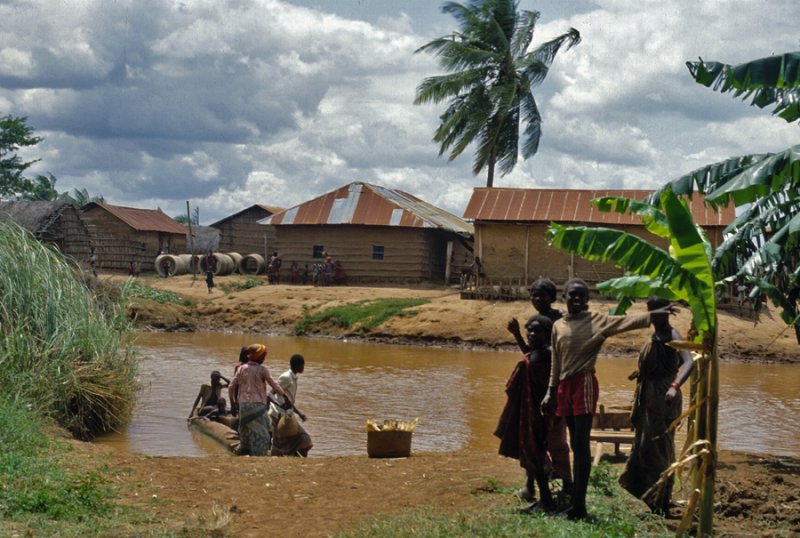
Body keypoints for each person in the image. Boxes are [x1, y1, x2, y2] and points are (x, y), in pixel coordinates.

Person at [541, 278, 676, 520]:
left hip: (583, 383)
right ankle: (575, 500)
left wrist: (657, 312)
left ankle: (579, 506)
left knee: (581, 444)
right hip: (564, 385)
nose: (576, 299)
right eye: (572, 295)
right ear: (565, 296)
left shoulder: (597, 321)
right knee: (575, 443)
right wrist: (551, 390)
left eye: (581, 296)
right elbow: (555, 362)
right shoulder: (558, 326)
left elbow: (626, 321)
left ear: (586, 301)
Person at [619, 297, 693, 515]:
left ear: (668, 311)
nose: (653, 315)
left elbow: (688, 361)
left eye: (657, 310)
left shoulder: (672, 334)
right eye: (650, 310)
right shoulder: (655, 335)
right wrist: (640, 374)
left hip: (663, 398)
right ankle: (648, 496)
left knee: (660, 448)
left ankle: (661, 500)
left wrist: (675, 386)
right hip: (648, 397)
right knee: (644, 447)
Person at [505, 278, 572, 502]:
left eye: (542, 295)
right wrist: (516, 334)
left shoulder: (561, 320)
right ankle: (531, 484)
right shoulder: (535, 324)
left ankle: (566, 483)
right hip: (536, 387)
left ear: (552, 298)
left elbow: (559, 358)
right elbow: (530, 355)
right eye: (533, 295)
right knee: (532, 438)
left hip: (555, 387)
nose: (537, 299)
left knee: (556, 439)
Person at [495, 315, 559, 513]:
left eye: (537, 331)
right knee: (532, 451)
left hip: (538, 413)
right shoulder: (539, 352)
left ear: (548, 335)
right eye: (529, 330)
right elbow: (529, 355)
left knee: (535, 453)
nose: (531, 334)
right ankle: (536, 492)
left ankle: (546, 501)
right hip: (530, 410)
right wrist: (516, 335)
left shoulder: (549, 355)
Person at [228, 344, 286, 456]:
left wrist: (233, 403)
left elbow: (231, 387)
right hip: (258, 406)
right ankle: (259, 454)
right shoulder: (262, 370)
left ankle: (244, 451)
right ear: (258, 357)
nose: (264, 359)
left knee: (245, 430)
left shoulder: (241, 368)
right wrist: (285, 396)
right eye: (263, 356)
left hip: (243, 405)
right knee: (263, 433)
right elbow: (274, 385)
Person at [268, 354, 313, 457]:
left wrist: (299, 413)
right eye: (303, 365)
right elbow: (270, 394)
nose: (304, 367)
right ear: (298, 365)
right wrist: (279, 404)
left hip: (288, 416)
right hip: (278, 415)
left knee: (304, 440)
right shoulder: (286, 377)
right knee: (279, 443)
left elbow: (289, 401)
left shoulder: (294, 378)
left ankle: (291, 457)